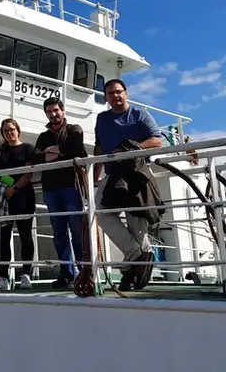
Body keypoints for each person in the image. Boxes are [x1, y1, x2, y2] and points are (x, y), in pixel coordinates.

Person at [92, 78, 165, 291]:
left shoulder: (140, 115)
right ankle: (137, 256)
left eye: (118, 92)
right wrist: (96, 174)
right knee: (102, 211)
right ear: (106, 98)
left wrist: (132, 149)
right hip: (112, 174)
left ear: (126, 93)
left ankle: (132, 274)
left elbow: (157, 141)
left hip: (137, 173)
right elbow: (99, 147)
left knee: (136, 223)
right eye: (110, 93)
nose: (115, 96)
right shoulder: (102, 119)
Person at [31, 97, 88, 288]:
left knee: (77, 231)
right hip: (51, 189)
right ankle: (67, 273)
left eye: (56, 110)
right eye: (49, 111)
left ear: (63, 110)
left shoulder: (74, 129)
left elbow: (75, 147)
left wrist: (54, 151)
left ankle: (84, 271)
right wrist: (59, 152)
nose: (53, 114)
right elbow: (37, 158)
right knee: (59, 234)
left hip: (71, 186)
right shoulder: (42, 136)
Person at [0, 118, 36, 291]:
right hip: (5, 199)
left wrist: (14, 187)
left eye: (11, 129)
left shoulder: (28, 149)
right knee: (4, 237)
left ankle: (26, 274)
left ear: (18, 130)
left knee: (26, 236)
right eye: (5, 131)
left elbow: (28, 173)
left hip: (24, 197)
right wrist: (9, 186)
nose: (9, 133)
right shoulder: (0, 152)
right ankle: (3, 276)